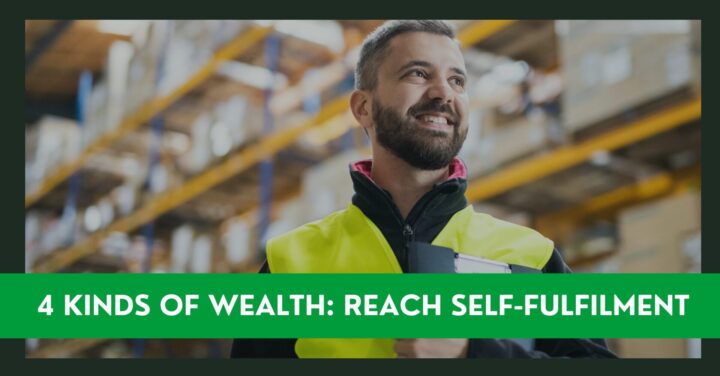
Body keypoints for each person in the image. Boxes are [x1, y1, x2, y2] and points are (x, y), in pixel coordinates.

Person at [231, 20, 617, 359]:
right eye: (418, 73)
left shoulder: (532, 254)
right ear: (363, 108)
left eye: (457, 80)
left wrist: (476, 354)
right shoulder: (293, 263)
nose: (442, 93)